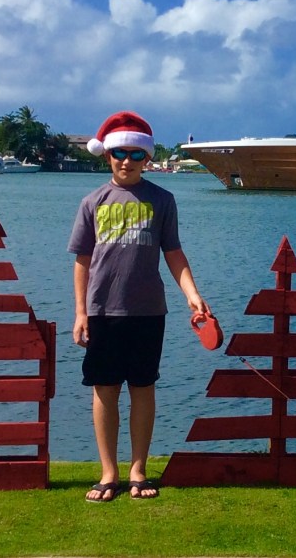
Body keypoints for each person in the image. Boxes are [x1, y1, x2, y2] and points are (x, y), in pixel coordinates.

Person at [69, 110, 209, 502]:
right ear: (107, 156)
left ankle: (138, 470)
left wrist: (192, 295)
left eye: (135, 154)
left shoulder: (163, 200)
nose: (126, 161)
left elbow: (174, 253)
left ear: (146, 158)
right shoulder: (92, 202)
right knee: (105, 389)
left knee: (143, 388)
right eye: (119, 153)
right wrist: (80, 312)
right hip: (102, 312)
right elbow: (82, 261)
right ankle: (108, 472)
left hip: (148, 311)